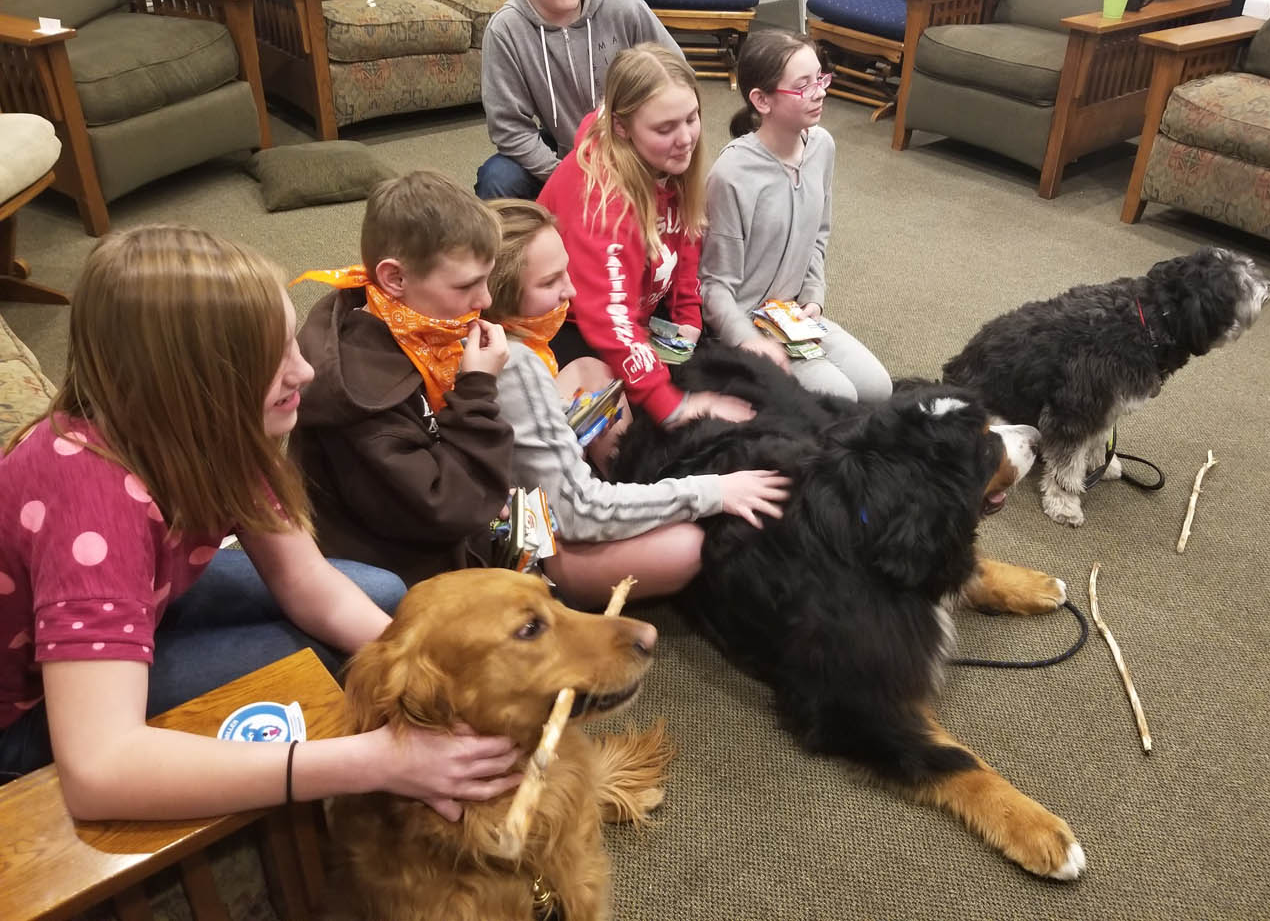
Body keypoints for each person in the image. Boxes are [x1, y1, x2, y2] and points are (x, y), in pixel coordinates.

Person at [0, 226, 519, 820]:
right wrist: (379, 761)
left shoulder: (216, 427)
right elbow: (100, 770)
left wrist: (432, 681)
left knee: (381, 599)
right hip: (25, 711)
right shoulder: (90, 504)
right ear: (189, 383)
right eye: (270, 362)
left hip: (136, 602)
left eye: (291, 346)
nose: (306, 373)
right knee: (318, 669)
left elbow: (307, 583)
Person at [483, 199, 790, 607]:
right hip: (544, 533)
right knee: (686, 546)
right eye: (549, 282)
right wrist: (712, 492)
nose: (570, 291)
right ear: (498, 293)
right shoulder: (517, 367)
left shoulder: (497, 339)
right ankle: (580, 565)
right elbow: (578, 512)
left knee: (591, 371)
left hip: (538, 480)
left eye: (566, 273)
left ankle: (629, 492)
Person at [291, 171, 514, 585]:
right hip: (394, 572)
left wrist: (487, 489)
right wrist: (478, 391)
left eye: (487, 280)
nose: (485, 300)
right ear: (394, 278)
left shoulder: (414, 327)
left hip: (430, 524)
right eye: (467, 285)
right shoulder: (362, 396)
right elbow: (444, 507)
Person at [538, 43, 752, 428]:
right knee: (623, 433)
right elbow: (609, 318)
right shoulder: (600, 199)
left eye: (692, 118)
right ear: (621, 127)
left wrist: (688, 318)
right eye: (665, 128)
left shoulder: (668, 159)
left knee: (732, 385)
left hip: (642, 314)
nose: (686, 137)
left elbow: (684, 238)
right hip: (570, 327)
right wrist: (670, 405)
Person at [702, 29, 892, 403]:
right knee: (840, 399)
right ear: (762, 99)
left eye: (820, 78)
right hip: (746, 327)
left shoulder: (822, 146)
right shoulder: (732, 175)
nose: (820, 92)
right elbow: (714, 286)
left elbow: (819, 233)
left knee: (878, 389)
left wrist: (814, 297)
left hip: (792, 317)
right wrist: (749, 342)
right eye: (803, 85)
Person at [476, 0, 682, 200]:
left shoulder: (624, 8)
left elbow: (678, 79)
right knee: (497, 177)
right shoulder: (505, 31)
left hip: (634, 147)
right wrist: (569, 177)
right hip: (564, 155)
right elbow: (510, 129)